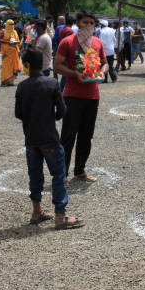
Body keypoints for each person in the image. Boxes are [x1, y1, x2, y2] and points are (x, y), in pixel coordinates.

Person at [15, 48, 84, 230]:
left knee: (35, 175)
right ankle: (60, 216)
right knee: (58, 175)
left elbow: (18, 113)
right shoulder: (52, 83)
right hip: (50, 138)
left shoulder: (22, 87)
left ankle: (36, 212)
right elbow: (62, 110)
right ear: (43, 64)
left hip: (31, 139)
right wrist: (51, 117)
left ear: (27, 65)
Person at [54, 11, 108, 185]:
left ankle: (80, 170)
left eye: (92, 22)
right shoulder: (68, 42)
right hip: (72, 95)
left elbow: (105, 62)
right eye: (85, 22)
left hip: (92, 95)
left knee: (86, 135)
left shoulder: (97, 42)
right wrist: (74, 73)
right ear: (77, 23)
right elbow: (57, 66)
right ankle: (62, 174)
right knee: (68, 136)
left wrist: (102, 72)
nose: (89, 25)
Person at [0, 19, 22, 86]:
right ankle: (5, 81)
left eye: (13, 24)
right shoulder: (3, 31)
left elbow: (18, 40)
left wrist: (17, 43)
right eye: (10, 24)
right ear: (7, 24)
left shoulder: (14, 32)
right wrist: (7, 42)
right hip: (6, 53)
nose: (12, 26)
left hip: (14, 52)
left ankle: (11, 82)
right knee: (6, 67)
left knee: (13, 66)